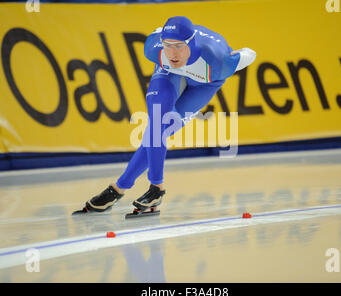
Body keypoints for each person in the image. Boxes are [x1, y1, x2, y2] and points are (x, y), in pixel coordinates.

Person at [77, 16, 256, 215]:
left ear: (191, 43)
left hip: (205, 82)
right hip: (169, 72)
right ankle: (156, 188)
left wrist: (242, 54)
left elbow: (251, 54)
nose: (172, 52)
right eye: (167, 45)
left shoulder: (220, 61)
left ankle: (119, 188)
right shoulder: (155, 50)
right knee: (157, 122)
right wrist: (167, 43)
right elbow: (162, 42)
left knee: (163, 128)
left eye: (179, 46)